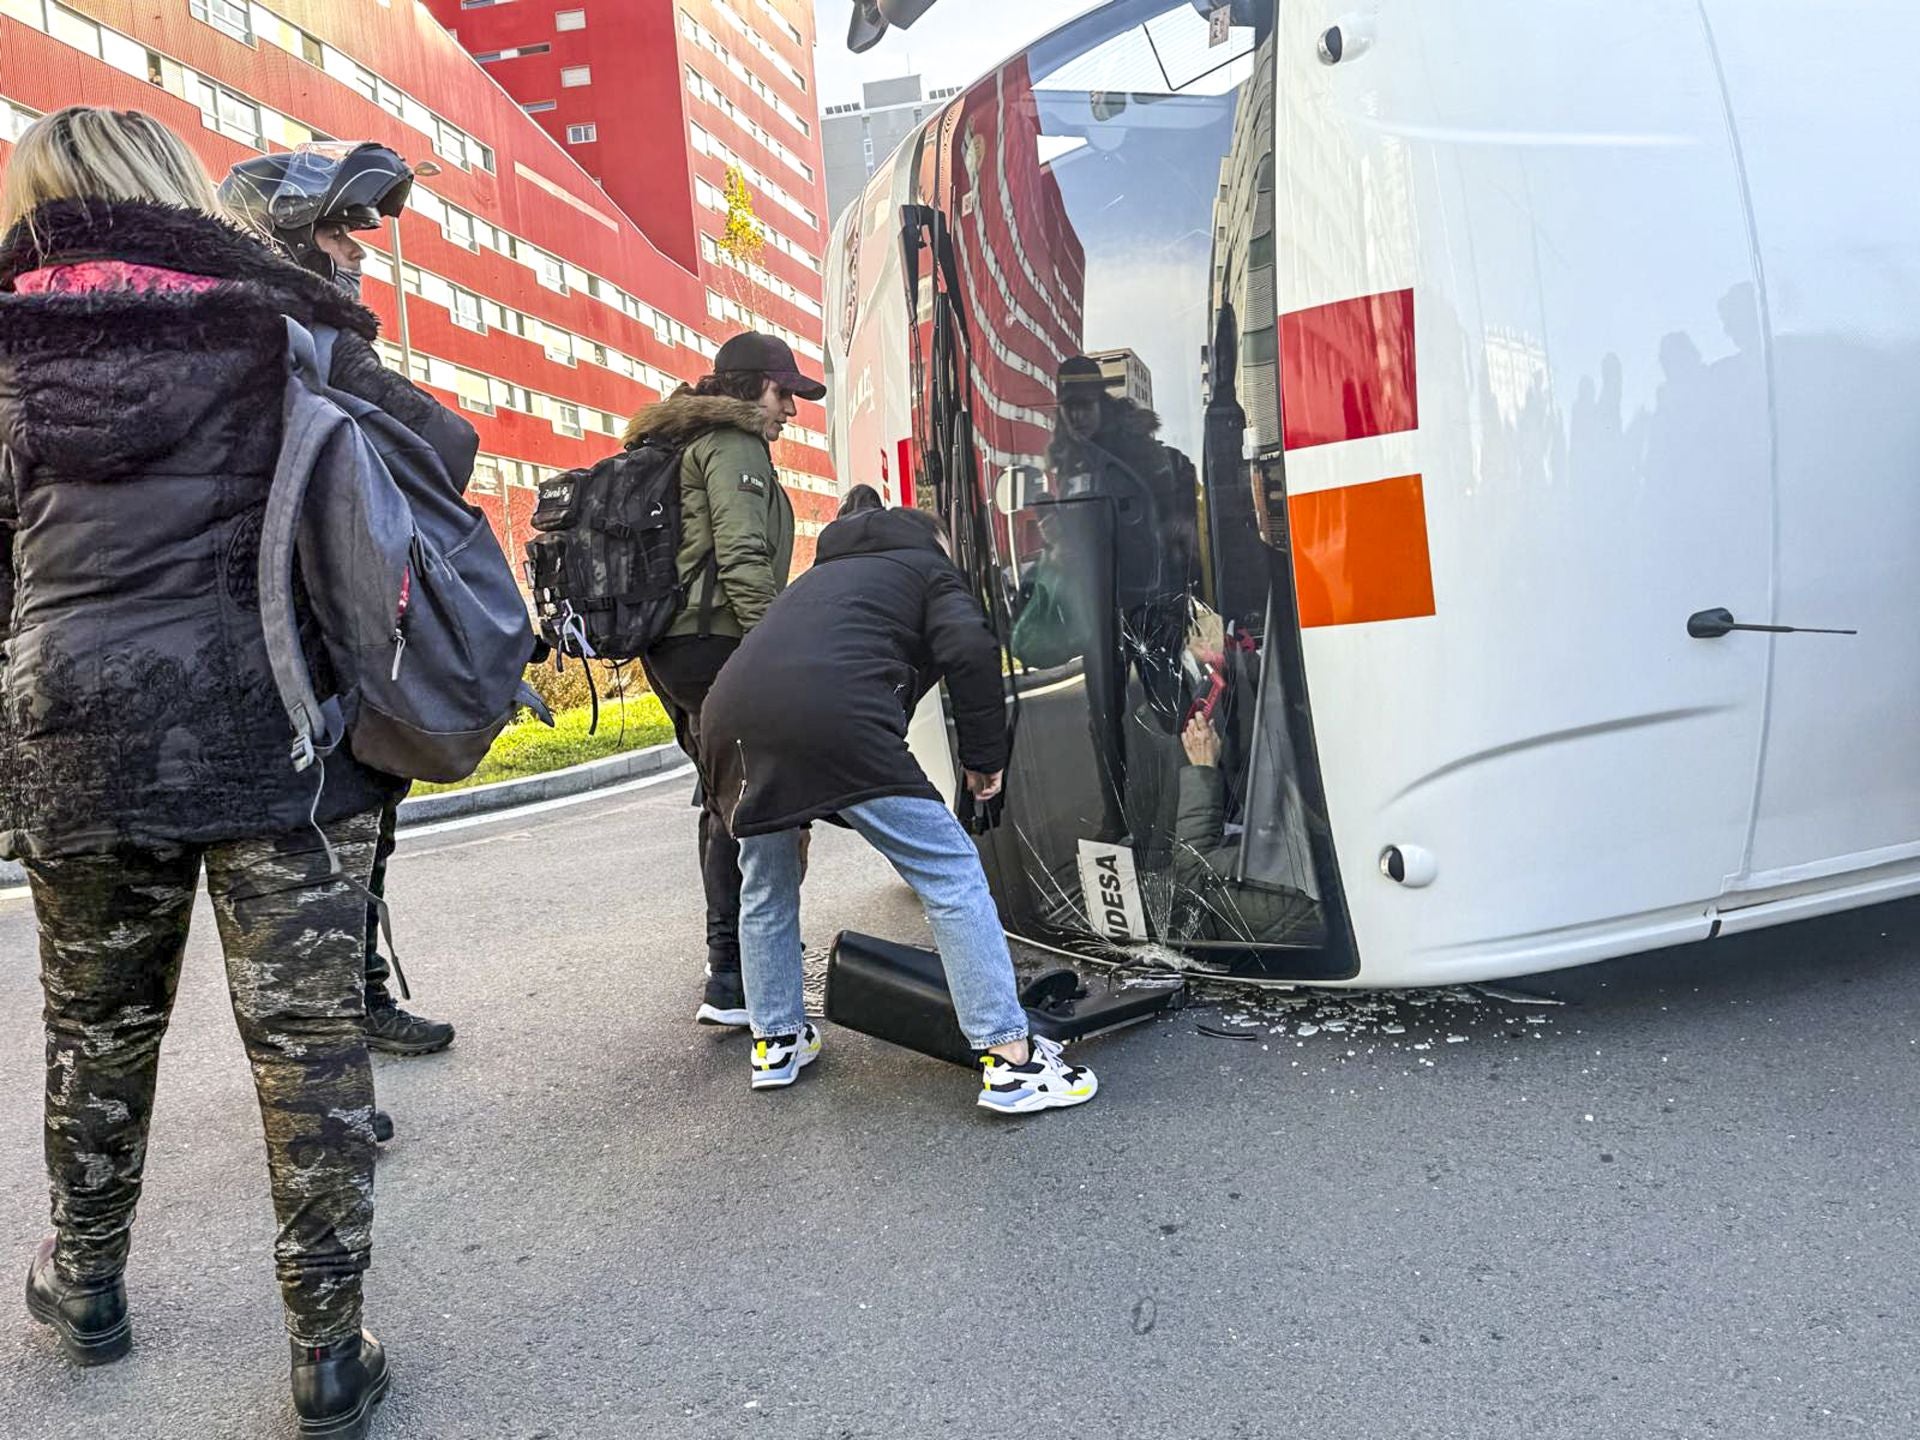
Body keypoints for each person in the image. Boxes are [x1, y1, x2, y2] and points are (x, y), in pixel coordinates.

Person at [0, 107, 405, 1434]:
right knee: (308, 1051)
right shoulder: (277, 321)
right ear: (177, 184)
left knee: (96, 1032)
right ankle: (328, 1350)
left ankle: (92, 1284)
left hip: (72, 736)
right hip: (265, 723)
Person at [701, 503, 1099, 1115]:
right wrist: (984, 756)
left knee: (766, 882)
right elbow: (971, 647)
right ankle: (1013, 1063)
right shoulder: (926, 567)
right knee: (950, 872)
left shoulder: (819, 578)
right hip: (837, 720)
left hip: (729, 720)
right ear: (934, 539)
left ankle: (776, 1039)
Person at [220, 144, 459, 1065]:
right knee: (324, 844)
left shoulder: (275, 335)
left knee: (358, 826)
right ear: (284, 232)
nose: (359, 249)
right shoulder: (303, 339)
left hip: (317, 620)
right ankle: (331, 1049)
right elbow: (446, 437)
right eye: (338, 229)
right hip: (301, 633)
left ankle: (354, 1006)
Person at [627, 332, 816, 1028]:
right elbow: (741, 557)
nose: (790, 411)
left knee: (723, 800)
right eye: (783, 393)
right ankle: (740, 976)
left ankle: (728, 962)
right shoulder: (734, 446)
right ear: (748, 387)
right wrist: (778, 650)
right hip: (718, 644)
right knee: (759, 802)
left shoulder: (680, 440)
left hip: (674, 648)